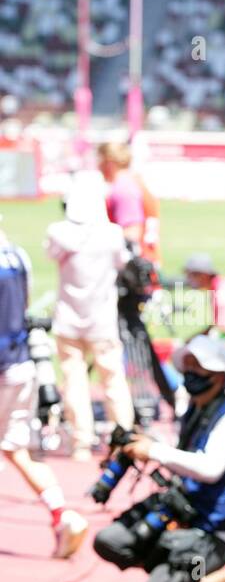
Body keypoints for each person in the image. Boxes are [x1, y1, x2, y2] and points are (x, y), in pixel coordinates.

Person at [92, 334, 225, 582]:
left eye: (200, 368)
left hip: (209, 537)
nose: (192, 374)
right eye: (189, 367)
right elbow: (179, 455)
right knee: (110, 540)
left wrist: (155, 450)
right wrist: (141, 444)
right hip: (175, 518)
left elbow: (210, 469)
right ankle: (170, 573)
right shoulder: (193, 409)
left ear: (219, 375)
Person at [0, 230, 88, 557]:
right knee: (16, 449)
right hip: (22, 366)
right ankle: (61, 514)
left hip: (3, 366)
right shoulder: (17, 255)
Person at [45, 171, 135, 461]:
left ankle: (82, 442)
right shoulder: (111, 234)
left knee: (74, 381)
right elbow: (124, 262)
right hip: (101, 320)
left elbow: (52, 254)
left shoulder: (58, 232)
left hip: (69, 318)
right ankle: (123, 437)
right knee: (113, 381)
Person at [98, 142, 161, 264]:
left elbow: (131, 234)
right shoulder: (134, 181)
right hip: (145, 261)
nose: (98, 166)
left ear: (109, 163)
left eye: (99, 161)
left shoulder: (123, 188)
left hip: (135, 267)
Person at [183, 253, 225, 339]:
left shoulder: (222, 291)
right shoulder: (219, 286)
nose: (187, 279)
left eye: (190, 275)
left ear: (203, 275)